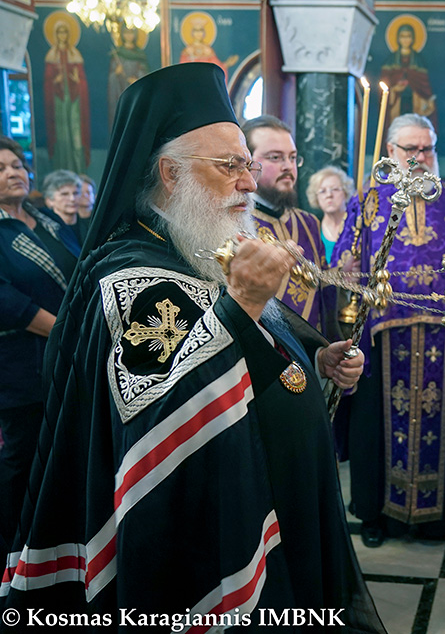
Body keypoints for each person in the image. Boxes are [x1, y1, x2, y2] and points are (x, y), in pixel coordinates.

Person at [0, 64, 384, 630]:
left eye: (248, 166)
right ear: (170, 174)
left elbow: (246, 346)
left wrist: (312, 358)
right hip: (214, 532)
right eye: (229, 166)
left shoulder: (196, 244)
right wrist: (245, 304)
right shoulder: (132, 277)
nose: (249, 183)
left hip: (280, 495)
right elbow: (163, 420)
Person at [332, 113, 445, 548]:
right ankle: (376, 513)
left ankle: (437, 516)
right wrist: (348, 264)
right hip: (382, 331)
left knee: (443, 416)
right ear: (392, 153)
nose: (420, 157)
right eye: (410, 149)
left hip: (441, 329)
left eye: (427, 149)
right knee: (374, 421)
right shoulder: (369, 198)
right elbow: (347, 251)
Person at [0, 137, 80, 551]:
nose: (13, 173)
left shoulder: (48, 220)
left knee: (64, 456)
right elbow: (9, 303)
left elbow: (84, 266)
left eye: (17, 165)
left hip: (72, 358)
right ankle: (14, 550)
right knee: (23, 461)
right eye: (1, 169)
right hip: (24, 367)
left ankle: (60, 547)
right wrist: (72, 332)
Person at [244, 115, 334, 334]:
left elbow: (323, 292)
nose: (288, 167)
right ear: (248, 162)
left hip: (313, 357)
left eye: (293, 158)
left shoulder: (308, 222)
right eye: (275, 157)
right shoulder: (235, 222)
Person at [44, 17, 90, 172]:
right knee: (62, 137)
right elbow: (47, 81)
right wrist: (54, 80)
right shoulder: (51, 56)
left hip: (75, 100)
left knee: (76, 136)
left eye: (65, 32)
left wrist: (78, 80)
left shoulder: (75, 54)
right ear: (56, 35)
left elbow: (82, 79)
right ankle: (62, 171)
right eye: (60, 32)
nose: (62, 35)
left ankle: (80, 171)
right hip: (59, 101)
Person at [380, 23, 437, 147]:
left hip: (414, 103)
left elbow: (423, 84)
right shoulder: (391, 60)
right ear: (398, 39)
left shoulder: (419, 60)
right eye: (402, 36)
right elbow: (385, 85)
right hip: (396, 104)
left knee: (413, 137)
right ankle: (395, 162)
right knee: (397, 135)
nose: (405, 39)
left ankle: (411, 163)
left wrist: (415, 88)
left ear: (413, 39)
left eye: (408, 36)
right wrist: (395, 89)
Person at [306, 165, 354, 263]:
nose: (329, 195)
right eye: (322, 191)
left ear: (345, 192)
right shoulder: (312, 231)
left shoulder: (357, 225)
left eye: (335, 189)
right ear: (316, 198)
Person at [107, 26, 150, 128]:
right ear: (122, 35)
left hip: (135, 90)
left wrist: (138, 80)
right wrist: (116, 73)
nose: (129, 36)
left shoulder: (140, 54)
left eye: (131, 33)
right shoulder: (117, 54)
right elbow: (111, 78)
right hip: (120, 90)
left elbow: (144, 72)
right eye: (126, 33)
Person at [41, 169, 89, 243]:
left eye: (75, 193)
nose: (72, 199)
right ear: (49, 200)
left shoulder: (90, 227)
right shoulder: (46, 231)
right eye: (64, 194)